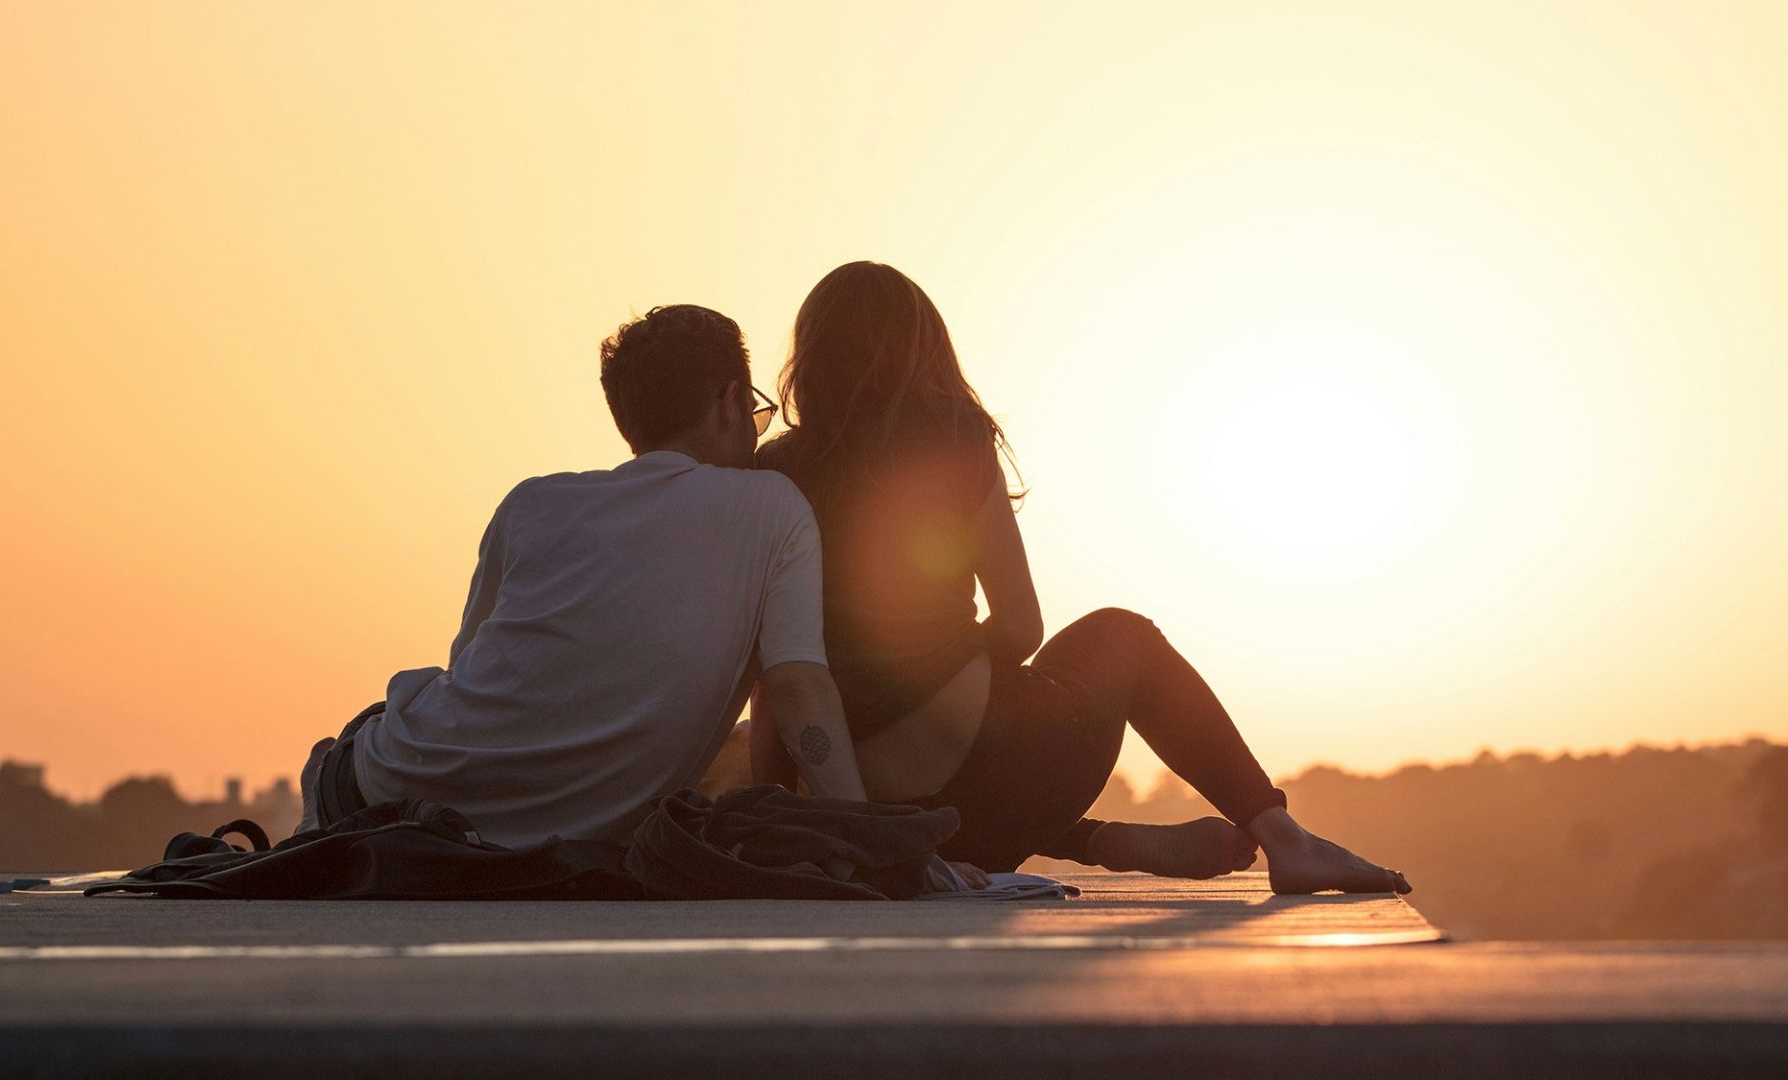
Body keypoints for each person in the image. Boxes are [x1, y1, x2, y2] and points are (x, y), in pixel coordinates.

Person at [751, 262, 1410, 894]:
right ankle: (1285, 840)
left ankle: (1094, 841)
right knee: (1124, 637)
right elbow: (1021, 625)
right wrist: (954, 669)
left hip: (881, 815)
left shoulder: (772, 474)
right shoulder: (952, 437)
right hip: (992, 775)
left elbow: (775, 678)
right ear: (923, 354)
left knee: (957, 765)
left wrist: (792, 813)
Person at [294, 304, 880, 852]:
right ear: (730, 402)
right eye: (755, 411)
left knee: (391, 719)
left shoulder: (532, 504)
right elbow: (798, 688)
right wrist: (874, 845)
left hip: (384, 794)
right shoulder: (773, 507)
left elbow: (477, 675)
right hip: (531, 836)